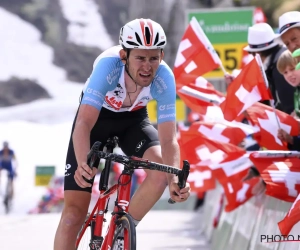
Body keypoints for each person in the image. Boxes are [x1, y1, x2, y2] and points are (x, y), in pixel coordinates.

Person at [54, 18, 191, 249]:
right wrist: (82, 164)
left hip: (133, 120)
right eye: (140, 58)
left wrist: (174, 178)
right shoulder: (108, 66)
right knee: (73, 214)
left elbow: (168, 139)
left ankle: (121, 233)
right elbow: (84, 123)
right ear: (124, 56)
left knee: (160, 171)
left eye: (153, 58)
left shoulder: (165, 78)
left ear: (162, 57)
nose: (147, 66)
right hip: (97, 119)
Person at [225, 22, 295, 114]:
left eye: (251, 53)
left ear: (257, 52)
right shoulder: (275, 63)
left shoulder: (278, 68)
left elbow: (289, 107)